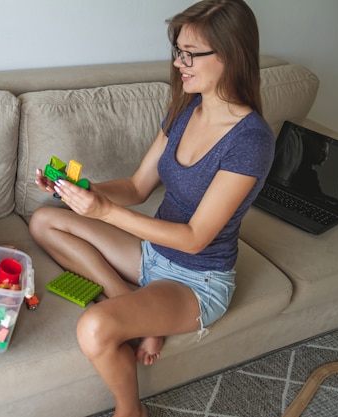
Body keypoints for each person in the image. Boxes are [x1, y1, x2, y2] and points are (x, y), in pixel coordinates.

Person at [29, 1, 275, 416]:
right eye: (177, 51)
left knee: (94, 326)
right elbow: (136, 186)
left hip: (197, 281)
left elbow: (196, 239)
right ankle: (127, 297)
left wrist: (103, 211)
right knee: (44, 219)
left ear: (231, 54)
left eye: (191, 53)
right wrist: (77, 190)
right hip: (151, 253)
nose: (180, 63)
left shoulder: (250, 141)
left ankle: (131, 410)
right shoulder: (183, 109)